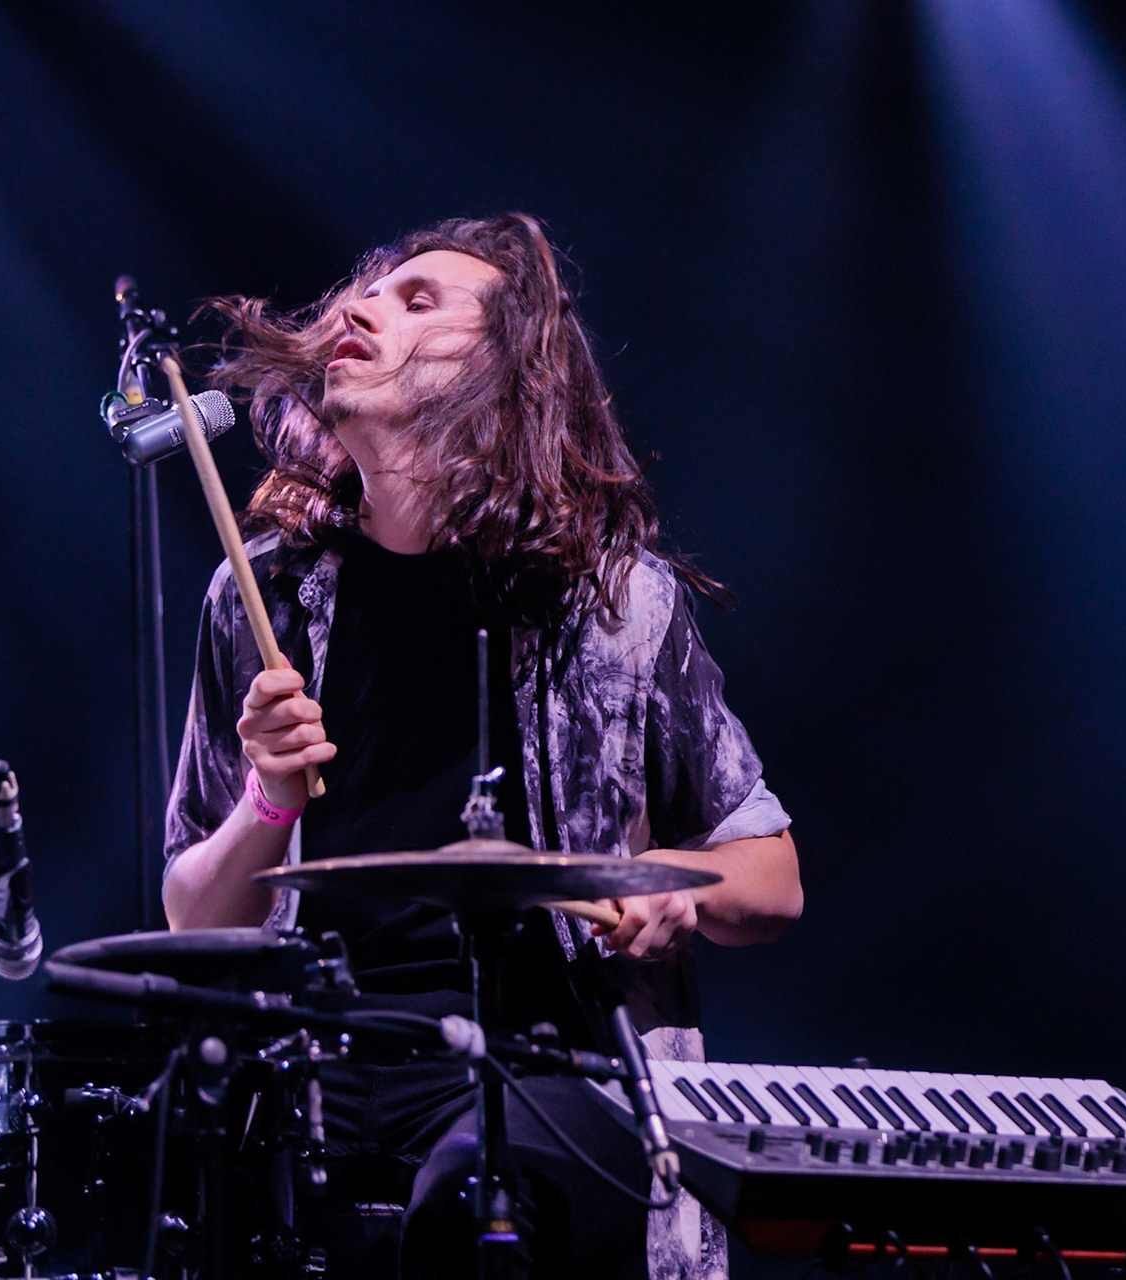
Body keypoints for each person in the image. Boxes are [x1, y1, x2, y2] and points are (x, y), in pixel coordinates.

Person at [163, 213, 802, 1280]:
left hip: (546, 1074)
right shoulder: (258, 596)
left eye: (420, 300)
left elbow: (772, 878)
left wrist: (669, 892)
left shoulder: (613, 601)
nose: (359, 310)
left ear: (508, 374)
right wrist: (269, 798)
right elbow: (193, 912)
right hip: (311, 1074)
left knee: (480, 1196)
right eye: (367, 294)